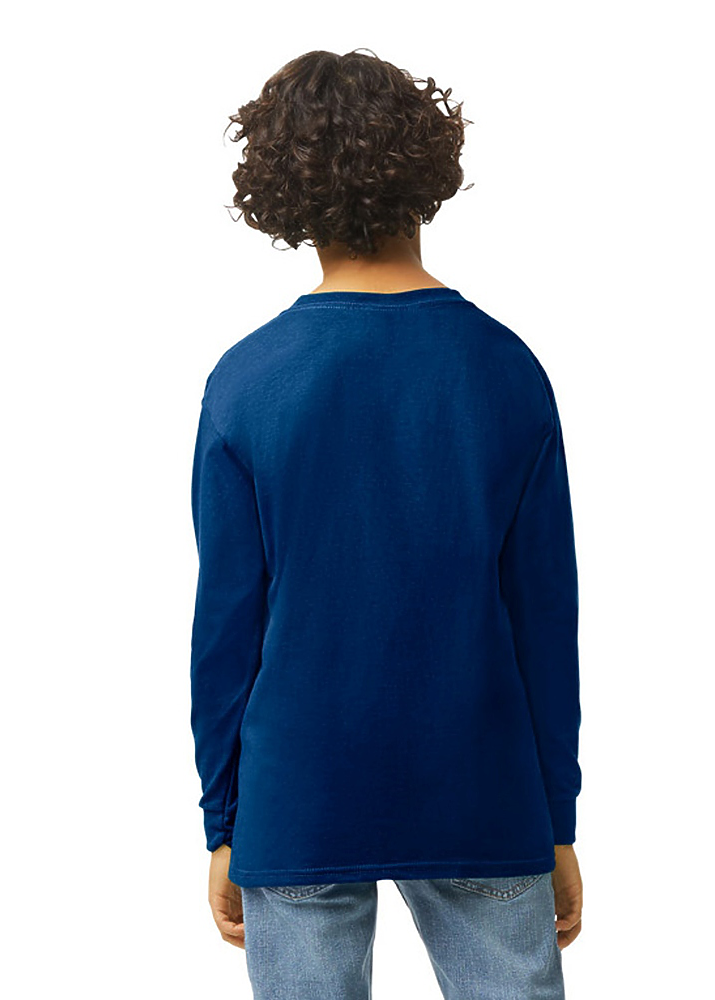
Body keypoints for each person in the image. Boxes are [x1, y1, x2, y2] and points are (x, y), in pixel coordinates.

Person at [189, 48, 584, 999]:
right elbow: (545, 616)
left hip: (299, 794)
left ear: (283, 194)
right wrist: (557, 818)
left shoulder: (246, 382)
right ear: (425, 171)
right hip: (483, 788)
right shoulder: (506, 369)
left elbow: (227, 630)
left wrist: (225, 822)